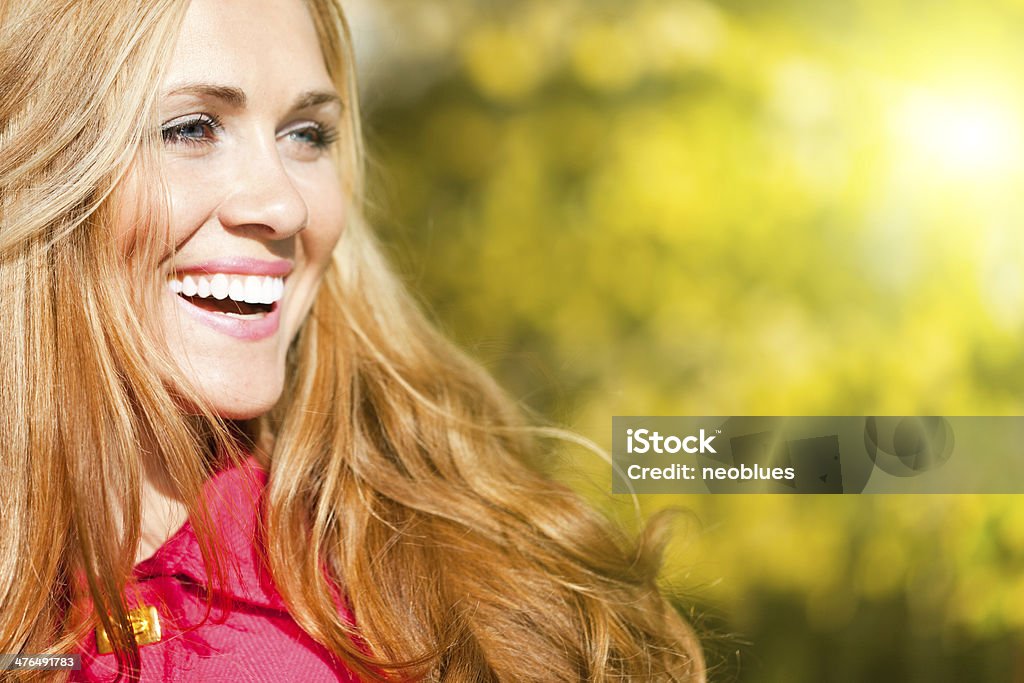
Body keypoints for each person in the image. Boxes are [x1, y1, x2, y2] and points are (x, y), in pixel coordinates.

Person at [0, 0, 706, 680]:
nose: (284, 204)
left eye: (305, 134)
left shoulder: (458, 595)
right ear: (32, 161)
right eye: (190, 128)